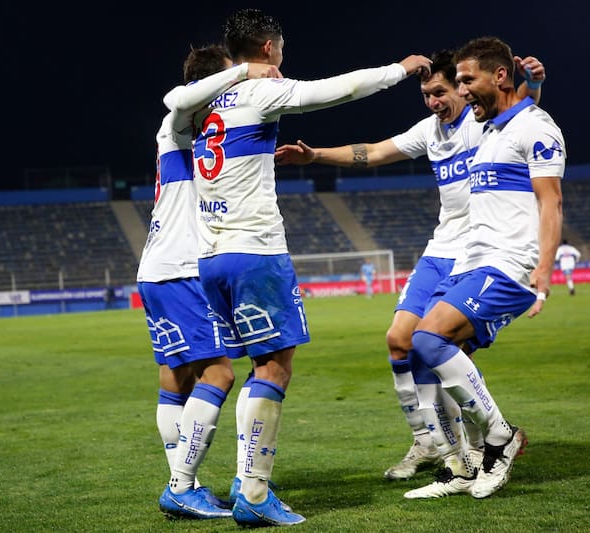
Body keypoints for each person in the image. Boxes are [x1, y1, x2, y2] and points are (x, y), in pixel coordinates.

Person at [191, 8, 431, 527]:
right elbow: (337, 90)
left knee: (258, 367)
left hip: (211, 256)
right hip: (254, 252)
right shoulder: (259, 92)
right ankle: (255, 493)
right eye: (281, 47)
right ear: (269, 47)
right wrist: (399, 69)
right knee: (273, 368)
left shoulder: (205, 101)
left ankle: (246, 481)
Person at [275, 49, 546, 494]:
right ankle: (433, 444)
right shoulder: (430, 131)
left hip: (478, 251)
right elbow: (374, 152)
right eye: (425, 95)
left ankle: (472, 450)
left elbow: (521, 114)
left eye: (439, 92)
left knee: (438, 346)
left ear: (462, 88)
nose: (432, 102)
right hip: (440, 249)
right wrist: (315, 155)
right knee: (400, 339)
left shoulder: (482, 122)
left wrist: (532, 85)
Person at [407, 36, 565, 499]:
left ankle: (500, 438)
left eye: (466, 80)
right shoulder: (491, 129)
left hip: (509, 263)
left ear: (499, 75)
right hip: (472, 261)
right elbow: (514, 105)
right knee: (436, 352)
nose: (461, 90)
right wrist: (532, 86)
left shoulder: (536, 127)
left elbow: (551, 202)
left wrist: (545, 269)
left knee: (428, 338)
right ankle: (470, 465)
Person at [137, 44, 282, 520]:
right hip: (180, 266)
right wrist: (244, 71)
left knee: (175, 378)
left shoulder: (188, 128)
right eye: (226, 80)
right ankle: (181, 485)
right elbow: (178, 97)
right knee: (220, 373)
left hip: (157, 265)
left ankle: (187, 485)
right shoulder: (181, 119)